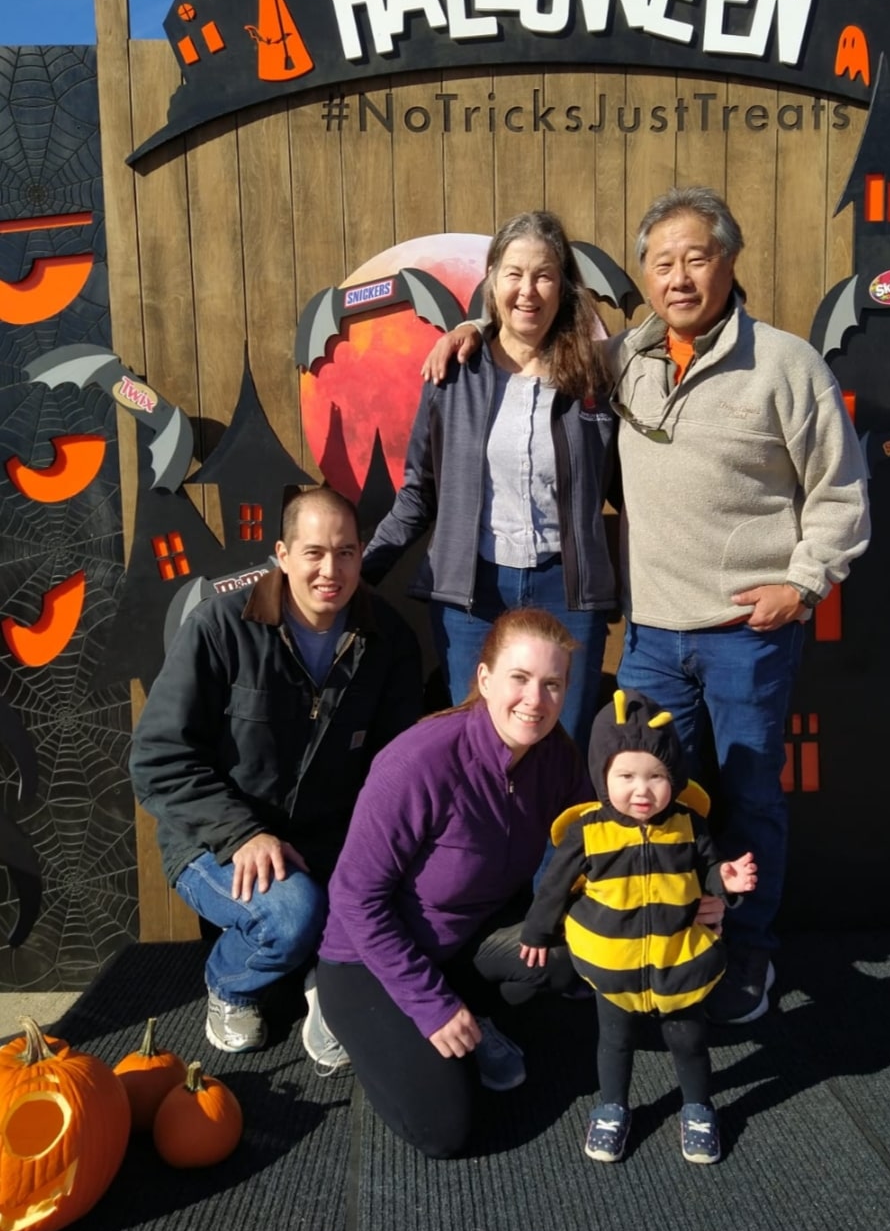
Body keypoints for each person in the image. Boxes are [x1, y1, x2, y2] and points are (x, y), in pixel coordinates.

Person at [425, 186, 871, 1024]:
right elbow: (532, 338)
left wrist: (803, 581)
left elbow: (840, 492)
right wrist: (476, 331)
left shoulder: (784, 364)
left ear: (728, 263)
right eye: (659, 263)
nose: (677, 277)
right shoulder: (623, 357)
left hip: (747, 634)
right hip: (652, 637)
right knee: (643, 797)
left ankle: (745, 950)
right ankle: (650, 941)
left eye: (694, 257)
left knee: (746, 798)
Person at [129, 486, 423, 1063]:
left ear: (362, 554)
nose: (330, 570)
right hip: (213, 839)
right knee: (293, 915)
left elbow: (396, 768)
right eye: (313, 553)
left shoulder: (389, 640)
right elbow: (158, 758)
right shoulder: (220, 627)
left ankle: (328, 984)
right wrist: (241, 834)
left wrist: (373, 859)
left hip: (329, 838)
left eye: (345, 553)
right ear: (282, 554)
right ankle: (231, 984)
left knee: (409, 895)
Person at [315, 608, 592, 1160]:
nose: (534, 700)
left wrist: (694, 891)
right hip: (365, 962)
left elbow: (601, 844)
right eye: (519, 678)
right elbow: (353, 897)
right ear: (485, 679)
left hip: (464, 942)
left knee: (572, 954)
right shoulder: (420, 761)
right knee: (445, 1130)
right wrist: (430, 1005)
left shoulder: (556, 756)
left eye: (552, 684)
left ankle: (470, 1010)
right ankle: (353, 1024)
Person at [361, 210, 617, 753]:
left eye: (544, 275)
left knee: (560, 752)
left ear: (565, 286)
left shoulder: (596, 375)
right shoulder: (453, 373)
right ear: (493, 282)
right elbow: (418, 492)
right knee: (480, 748)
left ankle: (553, 844)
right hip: (473, 593)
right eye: (514, 274)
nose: (528, 291)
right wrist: (360, 573)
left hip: (566, 589)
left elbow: (631, 485)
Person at [519, 689, 757, 1164]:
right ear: (603, 776)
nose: (641, 790)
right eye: (625, 775)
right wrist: (536, 933)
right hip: (614, 966)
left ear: (675, 778)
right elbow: (554, 886)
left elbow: (710, 871)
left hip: (678, 961)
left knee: (689, 1040)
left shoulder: (689, 825)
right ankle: (612, 1107)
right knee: (615, 1041)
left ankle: (697, 1107)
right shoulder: (589, 832)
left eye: (656, 777)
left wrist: (726, 881)